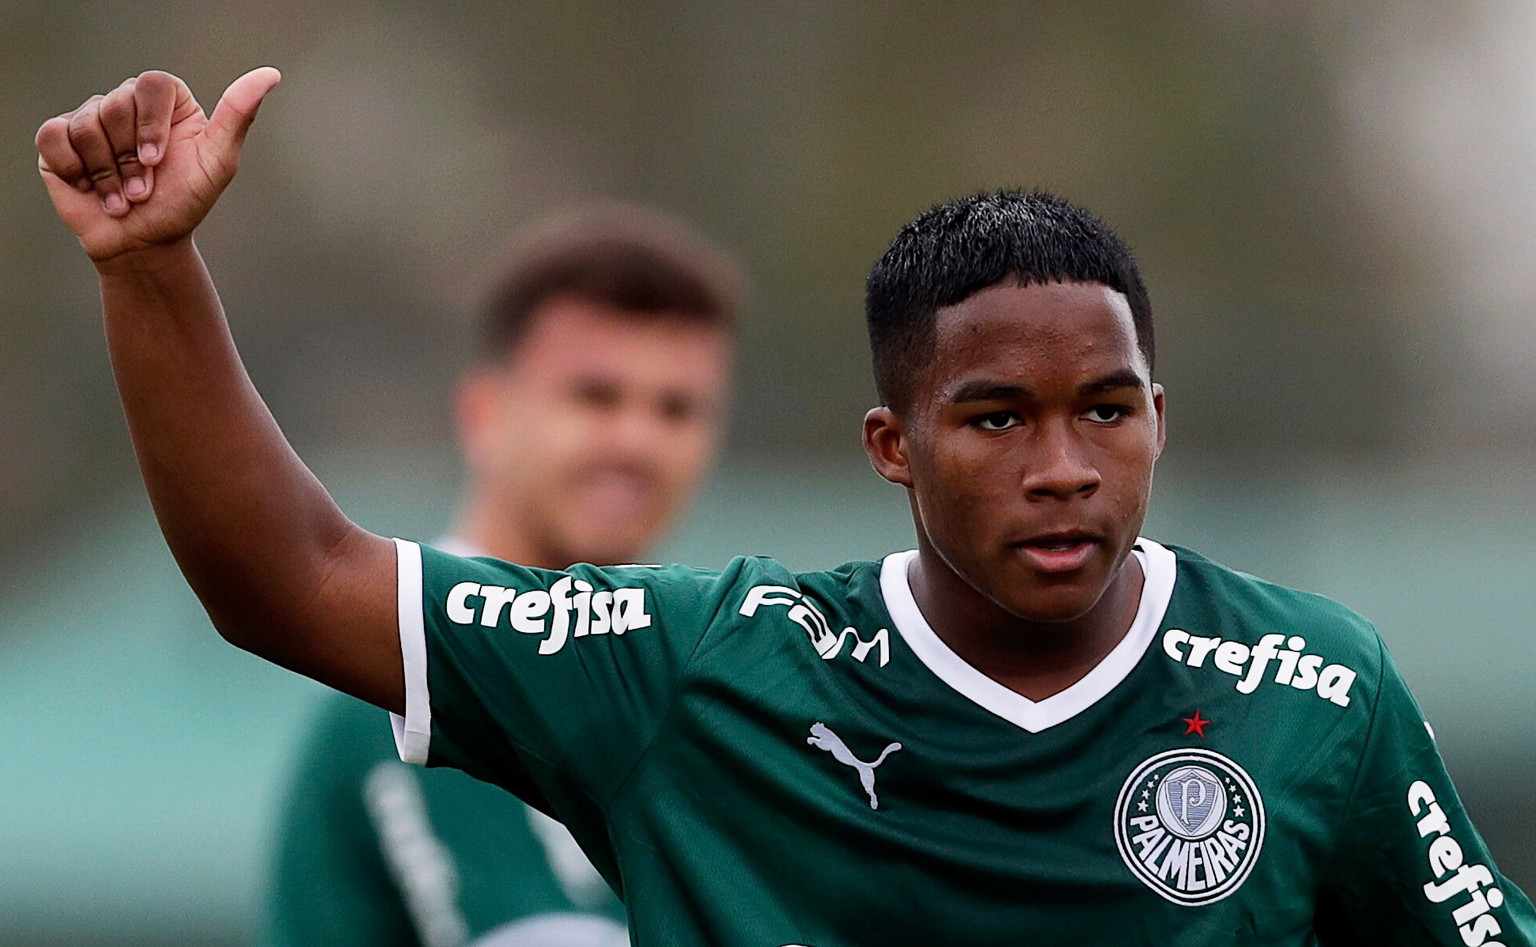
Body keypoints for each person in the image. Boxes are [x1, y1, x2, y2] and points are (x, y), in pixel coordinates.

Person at [36, 67, 1536, 946]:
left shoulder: (1317, 687)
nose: (1065, 464)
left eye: (1108, 409)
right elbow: (287, 574)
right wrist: (149, 268)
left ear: (1161, 418)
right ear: (892, 445)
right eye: (997, 417)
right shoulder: (706, 668)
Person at [261, 204, 741, 947]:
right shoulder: (403, 680)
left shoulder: (672, 678)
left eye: (677, 409)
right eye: (595, 396)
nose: (637, 440)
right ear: (485, 414)